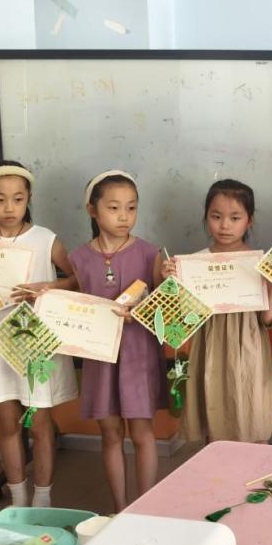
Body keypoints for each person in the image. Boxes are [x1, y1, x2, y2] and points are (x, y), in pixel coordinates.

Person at [0, 160, 78, 507]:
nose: (9, 207)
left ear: (28, 198)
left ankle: (42, 499)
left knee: (40, 422)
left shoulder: (46, 239)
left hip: (36, 344)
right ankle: (18, 499)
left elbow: (77, 279)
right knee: (7, 423)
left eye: (17, 199)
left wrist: (47, 286)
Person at [70, 170, 166, 512]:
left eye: (131, 207)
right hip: (100, 356)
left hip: (139, 355)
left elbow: (164, 305)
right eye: (113, 208)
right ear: (92, 211)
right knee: (110, 433)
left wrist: (164, 286)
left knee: (142, 432)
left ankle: (146, 506)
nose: (124, 216)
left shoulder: (151, 254)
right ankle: (120, 507)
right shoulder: (78, 258)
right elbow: (74, 301)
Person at [163, 179, 272, 443]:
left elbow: (268, 319)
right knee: (212, 413)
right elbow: (182, 321)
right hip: (209, 346)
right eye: (216, 216)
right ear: (206, 217)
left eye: (235, 218)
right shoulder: (194, 263)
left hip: (248, 347)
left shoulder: (261, 262)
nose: (225, 225)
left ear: (249, 221)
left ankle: (253, 467)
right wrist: (171, 285)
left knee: (251, 414)